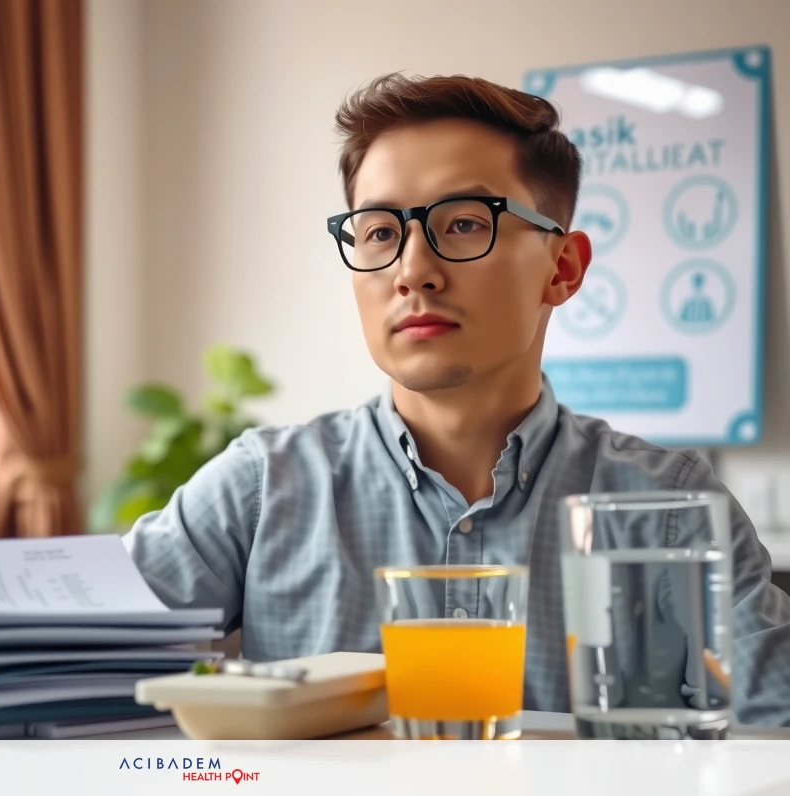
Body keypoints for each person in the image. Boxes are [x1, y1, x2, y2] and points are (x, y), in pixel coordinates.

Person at [121, 72, 790, 725]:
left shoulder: (666, 509)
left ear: (563, 268)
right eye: (380, 232)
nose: (412, 270)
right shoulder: (264, 486)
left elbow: (775, 734)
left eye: (466, 223)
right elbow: (53, 670)